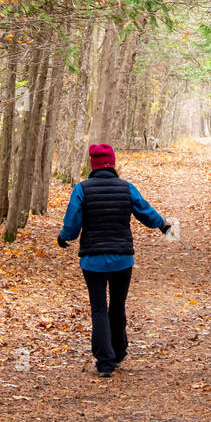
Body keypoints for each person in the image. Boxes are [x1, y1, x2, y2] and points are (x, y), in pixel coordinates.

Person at [57, 143, 171, 377]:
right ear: (113, 163)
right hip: (121, 260)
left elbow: (72, 221)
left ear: (93, 164)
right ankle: (118, 352)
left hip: (92, 261)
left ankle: (104, 362)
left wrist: (64, 237)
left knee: (99, 308)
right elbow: (145, 212)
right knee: (117, 306)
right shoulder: (126, 188)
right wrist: (162, 224)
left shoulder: (82, 189)